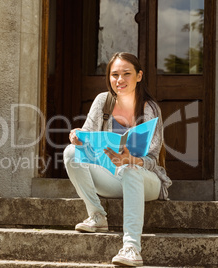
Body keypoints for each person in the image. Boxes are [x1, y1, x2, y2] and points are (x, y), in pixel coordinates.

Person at [63, 52, 172, 267]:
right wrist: (77, 136)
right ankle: (97, 215)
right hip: (113, 177)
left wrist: (134, 160)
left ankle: (132, 248)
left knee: (130, 168)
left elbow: (152, 158)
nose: (119, 80)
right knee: (70, 153)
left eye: (126, 74)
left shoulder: (150, 108)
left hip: (145, 180)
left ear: (139, 76)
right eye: (114, 75)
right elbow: (87, 138)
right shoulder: (103, 101)